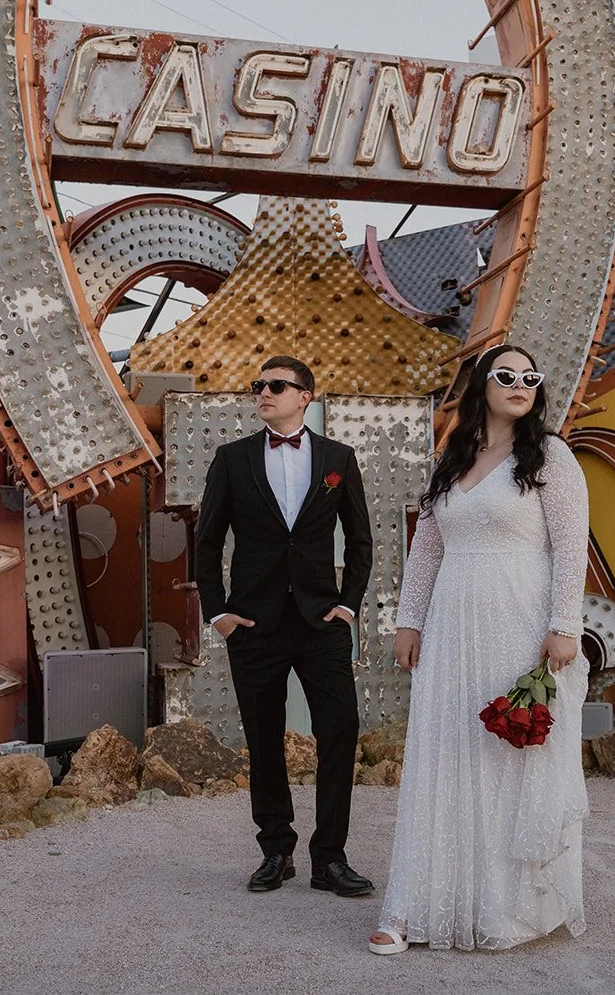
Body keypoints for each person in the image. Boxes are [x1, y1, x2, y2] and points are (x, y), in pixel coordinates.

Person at [369, 344, 589, 953]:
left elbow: (572, 545)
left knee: (507, 756)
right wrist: (408, 620)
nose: (521, 385)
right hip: (451, 624)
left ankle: (504, 906)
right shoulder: (451, 460)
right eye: (506, 376)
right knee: (442, 755)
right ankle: (409, 906)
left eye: (530, 377)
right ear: (481, 386)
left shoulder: (549, 455)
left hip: (521, 616)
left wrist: (565, 625)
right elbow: (428, 550)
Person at [195, 355, 376, 898]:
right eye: (259, 386)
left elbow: (361, 540)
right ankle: (275, 850)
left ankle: (330, 858)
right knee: (263, 737)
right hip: (254, 624)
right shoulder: (232, 459)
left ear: (306, 397)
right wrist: (219, 613)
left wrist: (348, 606)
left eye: (276, 386)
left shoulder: (339, 459)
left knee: (339, 730)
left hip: (321, 621)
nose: (264, 393)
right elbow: (206, 542)